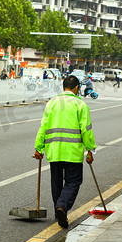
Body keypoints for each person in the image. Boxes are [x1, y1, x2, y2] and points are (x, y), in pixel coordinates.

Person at [33, 75, 96, 229]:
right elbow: (86, 130)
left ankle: (58, 211)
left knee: (56, 181)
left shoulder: (52, 103)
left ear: (63, 87)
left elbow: (43, 127)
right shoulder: (80, 104)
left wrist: (38, 148)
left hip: (54, 150)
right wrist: (90, 150)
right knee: (73, 182)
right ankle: (61, 207)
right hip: (73, 152)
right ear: (76, 88)